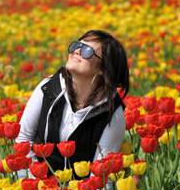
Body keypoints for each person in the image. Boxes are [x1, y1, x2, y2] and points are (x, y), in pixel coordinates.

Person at [16, 29, 129, 179]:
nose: (76, 51)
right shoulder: (49, 88)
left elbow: (102, 174)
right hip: (39, 187)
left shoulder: (111, 113)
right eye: (76, 45)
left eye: (87, 50)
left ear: (103, 68)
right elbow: (23, 138)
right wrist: (35, 186)